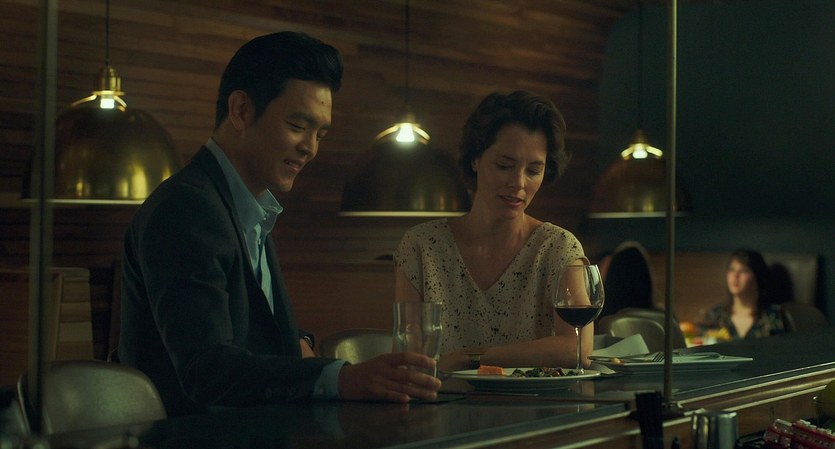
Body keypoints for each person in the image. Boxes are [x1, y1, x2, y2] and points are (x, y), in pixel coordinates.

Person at [118, 31, 440, 417]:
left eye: (320, 134)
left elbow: (248, 335)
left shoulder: (247, 208)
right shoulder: (187, 208)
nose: (310, 148)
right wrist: (340, 378)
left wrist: (299, 345)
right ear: (241, 111)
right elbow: (205, 370)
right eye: (298, 125)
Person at [394, 91, 589, 373]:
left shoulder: (557, 248)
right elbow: (408, 360)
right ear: (476, 159)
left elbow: (578, 348)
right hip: (443, 399)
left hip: (536, 399)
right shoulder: (422, 246)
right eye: (504, 166)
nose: (518, 183)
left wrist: (472, 358)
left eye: (533, 170)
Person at [699, 248, 785, 340]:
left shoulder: (772, 317)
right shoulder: (715, 316)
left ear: (758, 276)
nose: (735, 275)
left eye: (744, 270)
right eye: (732, 270)